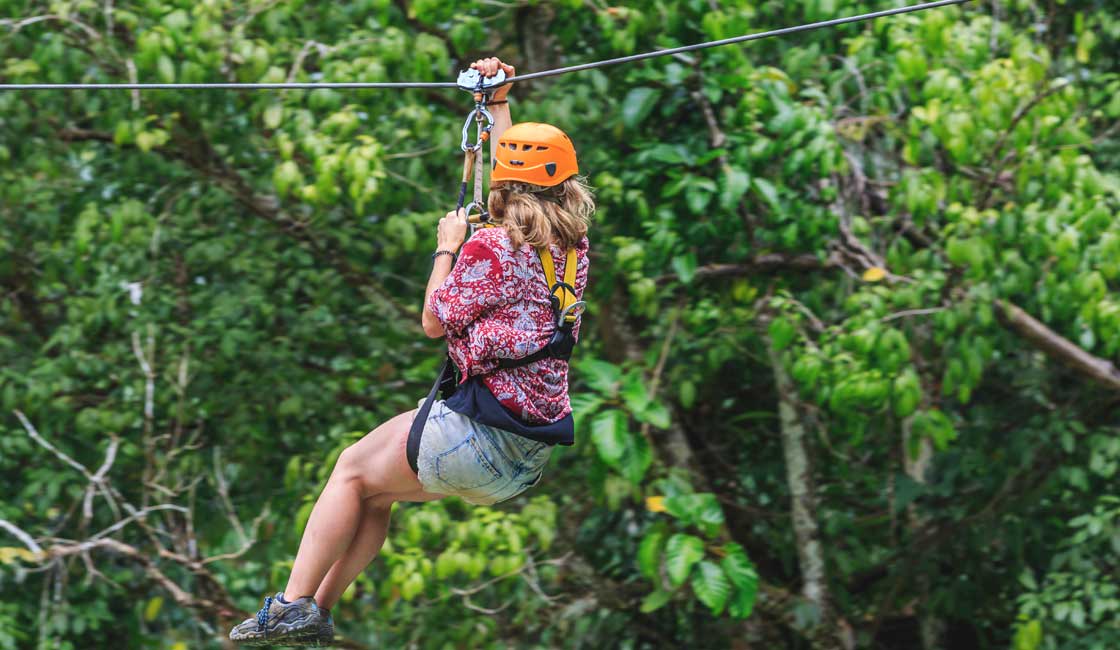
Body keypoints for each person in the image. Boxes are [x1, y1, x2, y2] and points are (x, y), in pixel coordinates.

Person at [229, 56, 592, 646]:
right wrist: (499, 103)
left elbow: (432, 320)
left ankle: (289, 603)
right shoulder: (571, 249)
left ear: (504, 181)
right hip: (525, 458)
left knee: (349, 469)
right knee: (372, 496)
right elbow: (519, 171)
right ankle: (316, 610)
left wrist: (447, 246)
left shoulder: (490, 248)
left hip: (478, 435)